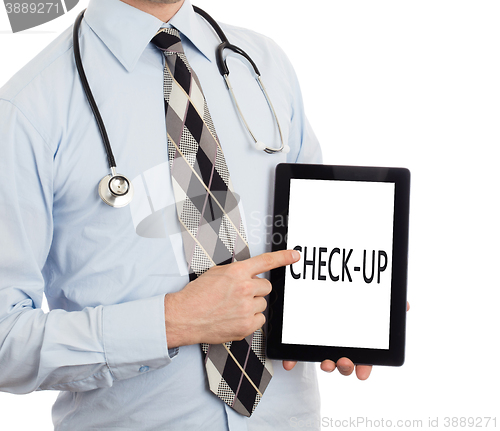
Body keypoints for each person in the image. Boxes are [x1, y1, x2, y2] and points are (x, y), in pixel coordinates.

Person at [0, 0, 374, 429]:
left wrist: (354, 304)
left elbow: (315, 241)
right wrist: (171, 322)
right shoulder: (25, 109)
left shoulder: (264, 66)